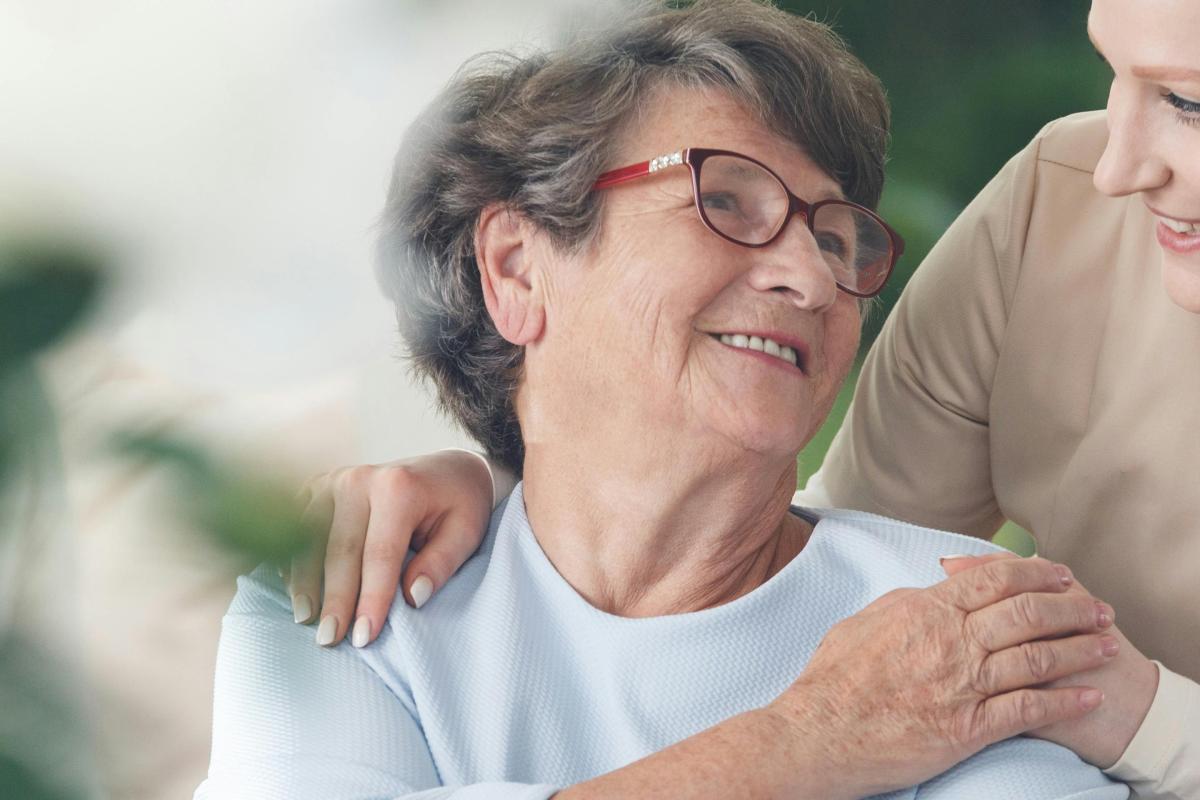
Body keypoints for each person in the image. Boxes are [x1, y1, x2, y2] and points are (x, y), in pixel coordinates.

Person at [198, 3, 1131, 797]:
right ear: (517, 269)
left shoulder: (961, 633)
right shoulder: (346, 588)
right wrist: (804, 744)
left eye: (839, 238)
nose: (811, 277)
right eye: (726, 199)